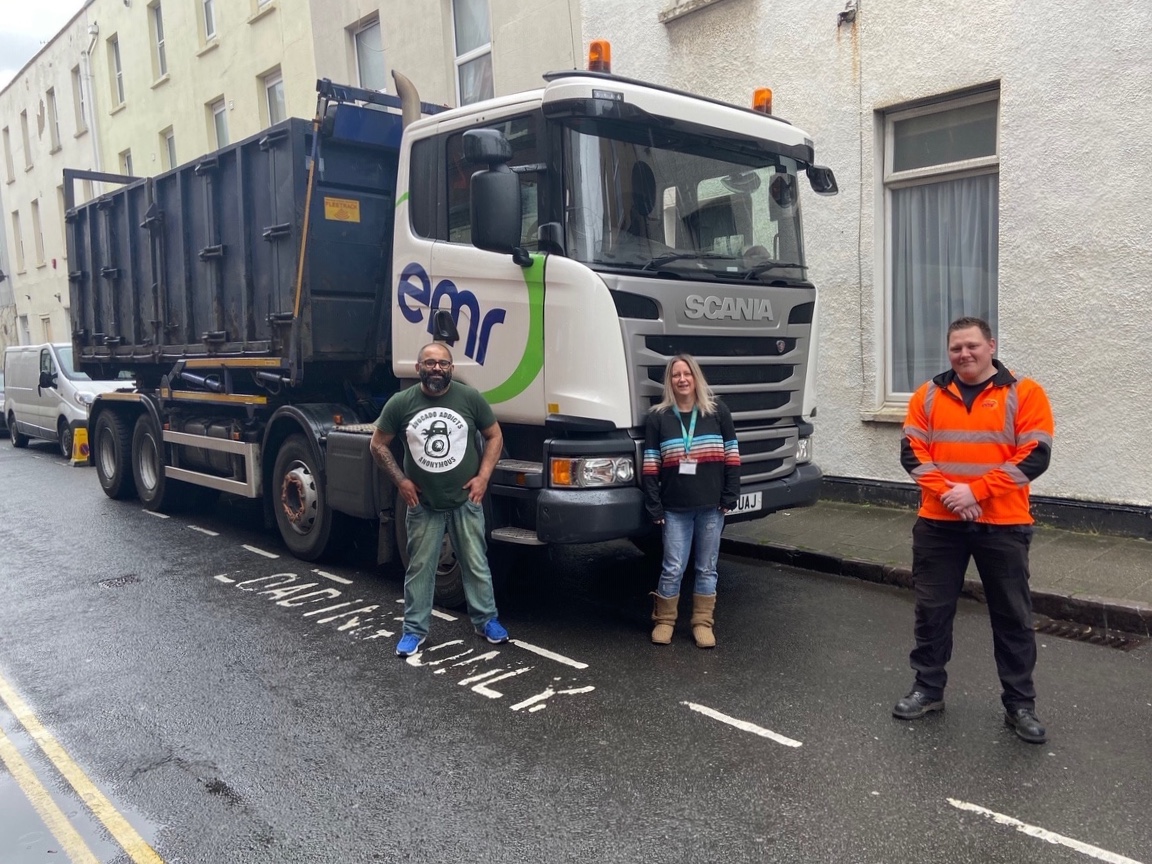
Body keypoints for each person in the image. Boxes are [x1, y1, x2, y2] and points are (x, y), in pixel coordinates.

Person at [893, 317, 1054, 744]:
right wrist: (950, 494)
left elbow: (1035, 456)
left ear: (991, 346)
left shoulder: (1025, 392)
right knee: (932, 611)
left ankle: (1020, 704)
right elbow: (912, 452)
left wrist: (977, 493)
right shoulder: (928, 394)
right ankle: (928, 689)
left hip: (1003, 524)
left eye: (972, 346)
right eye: (955, 348)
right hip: (939, 524)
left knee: (1013, 618)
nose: (964, 354)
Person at [369, 342, 509, 657]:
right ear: (418, 368)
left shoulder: (469, 397)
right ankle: (414, 631)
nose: (437, 369)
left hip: (465, 500)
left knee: (475, 563)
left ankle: (485, 621)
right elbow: (378, 445)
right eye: (430, 363)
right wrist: (401, 481)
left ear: (451, 368)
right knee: (420, 568)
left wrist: (483, 476)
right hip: (423, 504)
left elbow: (495, 435)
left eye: (443, 363)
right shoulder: (401, 403)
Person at [642, 355, 740, 648]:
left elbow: (732, 456)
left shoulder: (717, 411)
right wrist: (654, 505)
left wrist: (730, 495)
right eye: (676, 375)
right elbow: (650, 464)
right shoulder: (658, 417)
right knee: (673, 567)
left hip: (711, 507)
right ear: (669, 382)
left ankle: (702, 623)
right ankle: (664, 621)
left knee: (707, 567)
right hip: (674, 509)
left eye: (687, 373)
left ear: (696, 378)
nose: (682, 379)